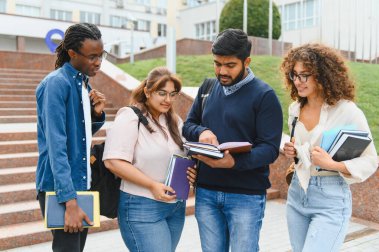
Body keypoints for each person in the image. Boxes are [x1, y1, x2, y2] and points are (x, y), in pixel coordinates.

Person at [182, 28, 283, 252]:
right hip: (206, 193)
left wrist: (234, 163)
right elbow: (187, 126)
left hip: (245, 197)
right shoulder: (207, 88)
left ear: (246, 61)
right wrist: (202, 132)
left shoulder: (265, 96)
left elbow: (269, 149)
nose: (221, 71)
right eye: (217, 64)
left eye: (230, 65)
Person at [281, 43, 378, 252]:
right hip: (297, 194)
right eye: (294, 75)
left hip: (331, 198)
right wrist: (294, 151)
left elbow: (370, 160)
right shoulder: (295, 109)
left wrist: (332, 164)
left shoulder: (347, 111)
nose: (298, 81)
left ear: (322, 75)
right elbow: (302, 150)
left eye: (304, 75)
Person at [102, 67, 197, 252]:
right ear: (147, 91)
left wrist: (192, 172)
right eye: (162, 93)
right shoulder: (130, 117)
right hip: (142, 205)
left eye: (172, 94)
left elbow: (183, 155)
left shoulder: (174, 120)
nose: (168, 100)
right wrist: (152, 185)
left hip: (175, 206)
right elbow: (113, 161)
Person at [35, 23, 107, 252]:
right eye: (92, 56)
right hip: (61, 189)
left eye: (101, 55)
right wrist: (70, 201)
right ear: (73, 53)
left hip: (79, 183)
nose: (98, 62)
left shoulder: (82, 83)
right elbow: (57, 146)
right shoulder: (57, 84)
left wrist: (96, 115)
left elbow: (79, 137)